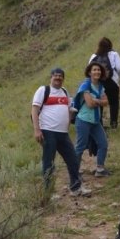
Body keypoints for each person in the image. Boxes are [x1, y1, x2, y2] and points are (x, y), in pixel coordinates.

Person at [31, 67, 91, 197]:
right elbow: (34, 109)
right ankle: (48, 192)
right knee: (49, 162)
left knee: (73, 159)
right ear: (51, 77)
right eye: (56, 76)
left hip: (62, 133)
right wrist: (37, 130)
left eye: (60, 76)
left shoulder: (64, 92)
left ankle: (76, 187)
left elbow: (70, 109)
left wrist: (67, 123)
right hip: (47, 131)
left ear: (63, 79)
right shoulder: (43, 90)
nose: (58, 78)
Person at [74, 61, 110, 176]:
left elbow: (107, 102)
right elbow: (89, 103)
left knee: (103, 143)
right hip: (83, 120)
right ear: (89, 72)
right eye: (94, 70)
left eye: (98, 70)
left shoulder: (100, 86)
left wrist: (97, 101)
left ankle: (100, 169)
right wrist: (100, 101)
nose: (97, 72)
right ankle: (74, 169)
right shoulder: (85, 85)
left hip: (95, 121)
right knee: (81, 145)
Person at [88, 37, 120, 129]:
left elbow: (89, 69)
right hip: (112, 82)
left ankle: (100, 125)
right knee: (114, 103)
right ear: (110, 45)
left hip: (98, 83)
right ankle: (114, 124)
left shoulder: (93, 56)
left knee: (99, 104)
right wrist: (117, 77)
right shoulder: (114, 54)